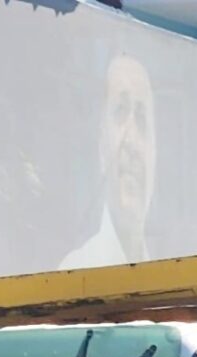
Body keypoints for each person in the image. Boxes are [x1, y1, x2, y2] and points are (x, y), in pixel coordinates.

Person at [60, 52, 159, 269]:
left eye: (142, 120)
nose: (131, 140)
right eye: (120, 112)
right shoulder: (77, 269)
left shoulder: (173, 281)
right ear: (100, 141)